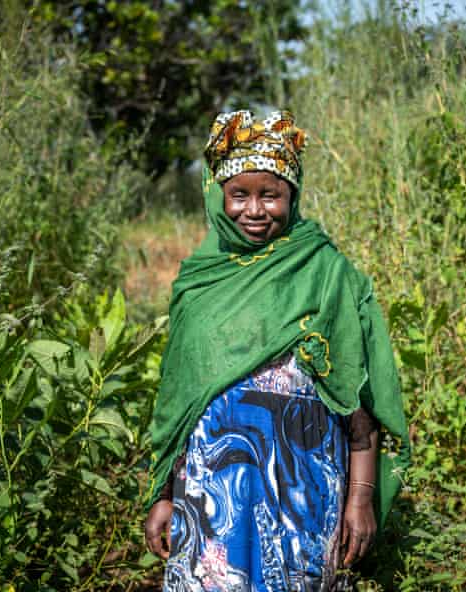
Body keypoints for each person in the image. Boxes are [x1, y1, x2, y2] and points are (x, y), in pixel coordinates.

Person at [144, 110, 410, 591]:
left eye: (271, 195)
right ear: (216, 196)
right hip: (210, 506)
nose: (254, 210)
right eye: (238, 195)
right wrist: (163, 496)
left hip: (304, 503)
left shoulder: (328, 273)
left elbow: (358, 399)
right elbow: (179, 404)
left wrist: (360, 499)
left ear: (293, 196)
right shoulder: (199, 285)